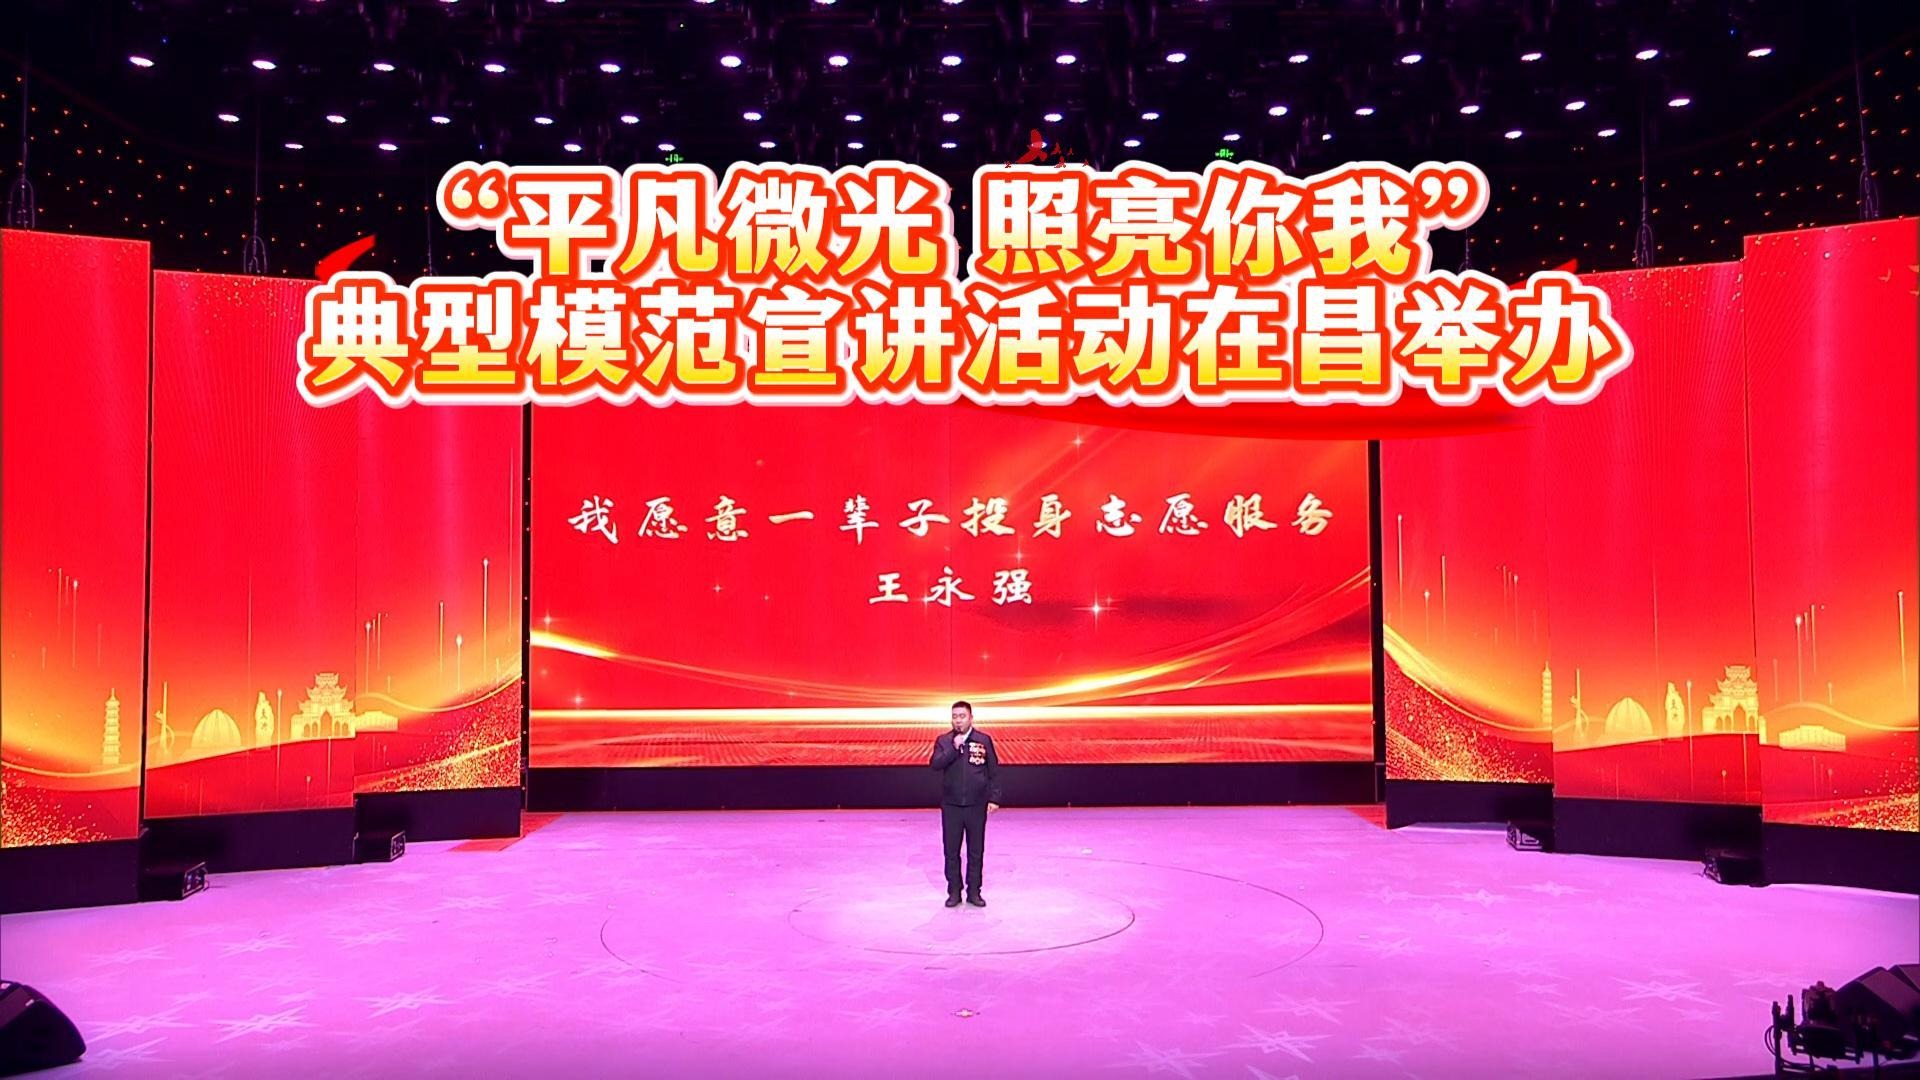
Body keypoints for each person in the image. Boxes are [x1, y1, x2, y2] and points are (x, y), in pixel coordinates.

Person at [929, 700, 1000, 908]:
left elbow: (993, 771)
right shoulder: (944, 741)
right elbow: (935, 764)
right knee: (951, 851)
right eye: (955, 717)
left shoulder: (983, 740)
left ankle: (974, 892)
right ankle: (954, 891)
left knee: (975, 851)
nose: (958, 720)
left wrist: (994, 798)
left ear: (971, 718)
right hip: (951, 806)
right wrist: (953, 748)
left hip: (976, 805)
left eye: (962, 716)